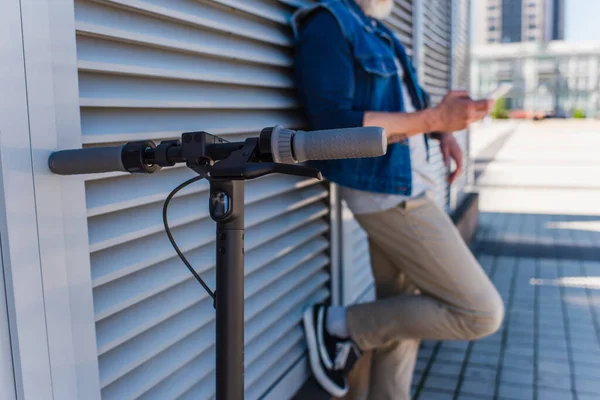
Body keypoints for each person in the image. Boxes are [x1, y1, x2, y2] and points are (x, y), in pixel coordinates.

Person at [291, 0, 505, 398]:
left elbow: (413, 104)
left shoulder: (378, 30)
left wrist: (443, 133)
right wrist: (435, 121)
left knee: (399, 318)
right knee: (480, 312)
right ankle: (338, 325)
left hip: (410, 186)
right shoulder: (328, 25)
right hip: (390, 194)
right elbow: (334, 126)